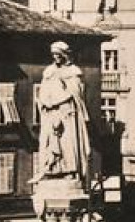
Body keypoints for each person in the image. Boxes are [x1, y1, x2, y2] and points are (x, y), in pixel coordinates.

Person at [32, 41, 92, 184]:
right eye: (54, 55)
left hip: (67, 113)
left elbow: (76, 93)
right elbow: (43, 91)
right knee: (49, 141)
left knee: (67, 143)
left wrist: (59, 100)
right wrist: (45, 102)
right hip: (50, 112)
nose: (56, 57)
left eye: (58, 54)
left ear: (65, 55)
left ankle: (70, 171)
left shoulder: (73, 72)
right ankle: (51, 170)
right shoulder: (48, 71)